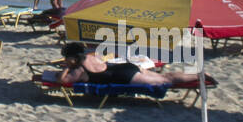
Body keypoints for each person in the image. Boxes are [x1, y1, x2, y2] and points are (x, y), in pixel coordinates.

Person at [43, 42, 176, 87]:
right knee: (166, 76)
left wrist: (66, 68)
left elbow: (62, 80)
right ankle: (196, 76)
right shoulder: (91, 57)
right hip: (125, 67)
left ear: (72, 58)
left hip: (124, 75)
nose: (65, 60)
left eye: (66, 58)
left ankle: (196, 77)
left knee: (165, 80)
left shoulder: (79, 70)